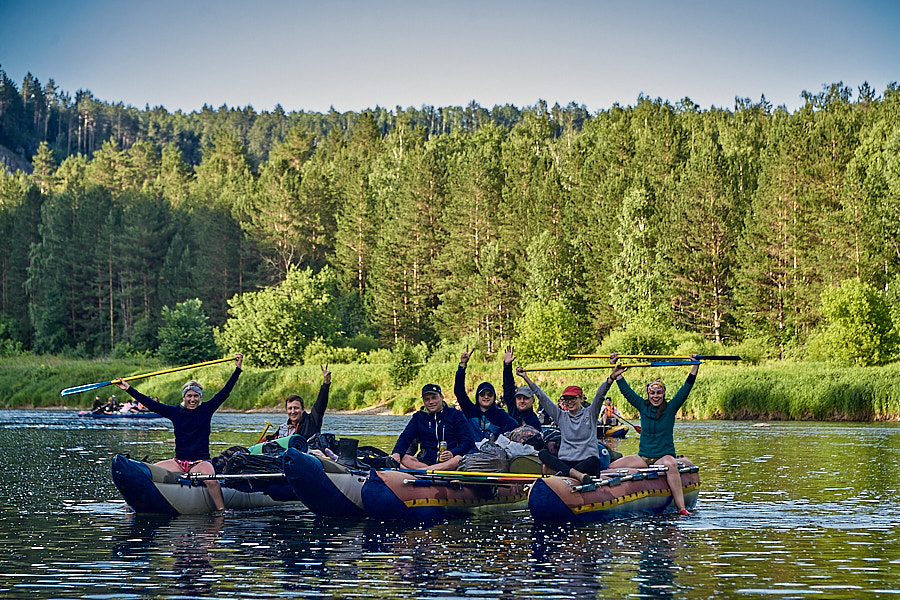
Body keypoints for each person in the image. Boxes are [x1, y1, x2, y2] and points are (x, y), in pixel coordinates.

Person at [113, 353, 244, 512]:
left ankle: (221, 512)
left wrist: (237, 369)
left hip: (200, 462)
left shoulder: (207, 409)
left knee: (212, 481)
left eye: (196, 396)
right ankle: (130, 505)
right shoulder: (175, 412)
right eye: (189, 396)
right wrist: (128, 388)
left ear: (200, 397)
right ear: (184, 397)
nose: (192, 399)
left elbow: (225, 392)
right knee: (147, 473)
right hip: (178, 462)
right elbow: (150, 404)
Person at [606, 351, 699, 516]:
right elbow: (627, 392)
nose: (655, 396)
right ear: (648, 394)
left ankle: (681, 508)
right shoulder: (643, 406)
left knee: (671, 464)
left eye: (659, 393)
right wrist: (617, 372)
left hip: (663, 457)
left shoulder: (671, 408)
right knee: (612, 466)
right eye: (652, 393)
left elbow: (686, 389)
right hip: (643, 457)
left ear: (663, 394)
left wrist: (694, 367)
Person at [517, 367, 610, 484]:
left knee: (594, 461)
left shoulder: (590, 413)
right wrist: (525, 377)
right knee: (542, 453)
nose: (569, 402)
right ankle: (574, 475)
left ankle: (563, 474)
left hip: (586, 463)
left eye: (573, 398)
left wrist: (610, 378)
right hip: (566, 462)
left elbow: (600, 394)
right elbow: (542, 396)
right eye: (566, 399)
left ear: (581, 399)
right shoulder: (561, 416)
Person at [390, 383, 475, 470]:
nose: (431, 402)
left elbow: (467, 441)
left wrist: (453, 453)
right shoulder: (418, 417)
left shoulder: (456, 415)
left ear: (441, 397)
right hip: (425, 461)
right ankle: (428, 471)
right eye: (427, 399)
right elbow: (405, 437)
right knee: (404, 458)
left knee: (458, 459)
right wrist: (397, 453)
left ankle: (421, 472)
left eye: (434, 398)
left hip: (450, 460)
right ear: (423, 401)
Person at [455, 346, 519, 441]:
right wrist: (462, 366)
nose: (486, 397)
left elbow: (514, 424)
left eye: (489, 394)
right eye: (482, 394)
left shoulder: (499, 414)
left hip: (493, 452)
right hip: (472, 452)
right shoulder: (470, 410)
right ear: (477, 396)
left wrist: (499, 440)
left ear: (494, 397)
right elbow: (459, 391)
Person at [274, 365, 332, 439]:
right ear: (286, 410)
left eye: (296, 408)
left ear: (303, 409)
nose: (293, 411)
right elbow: (271, 440)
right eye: (290, 408)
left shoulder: (312, 421)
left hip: (310, 449)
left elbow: (320, 404)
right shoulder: (283, 428)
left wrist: (326, 384)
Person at [501, 346, 544, 431]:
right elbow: (508, 387)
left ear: (533, 400)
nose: (522, 401)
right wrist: (507, 366)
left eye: (526, 398)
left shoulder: (534, 422)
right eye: (519, 398)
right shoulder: (513, 409)